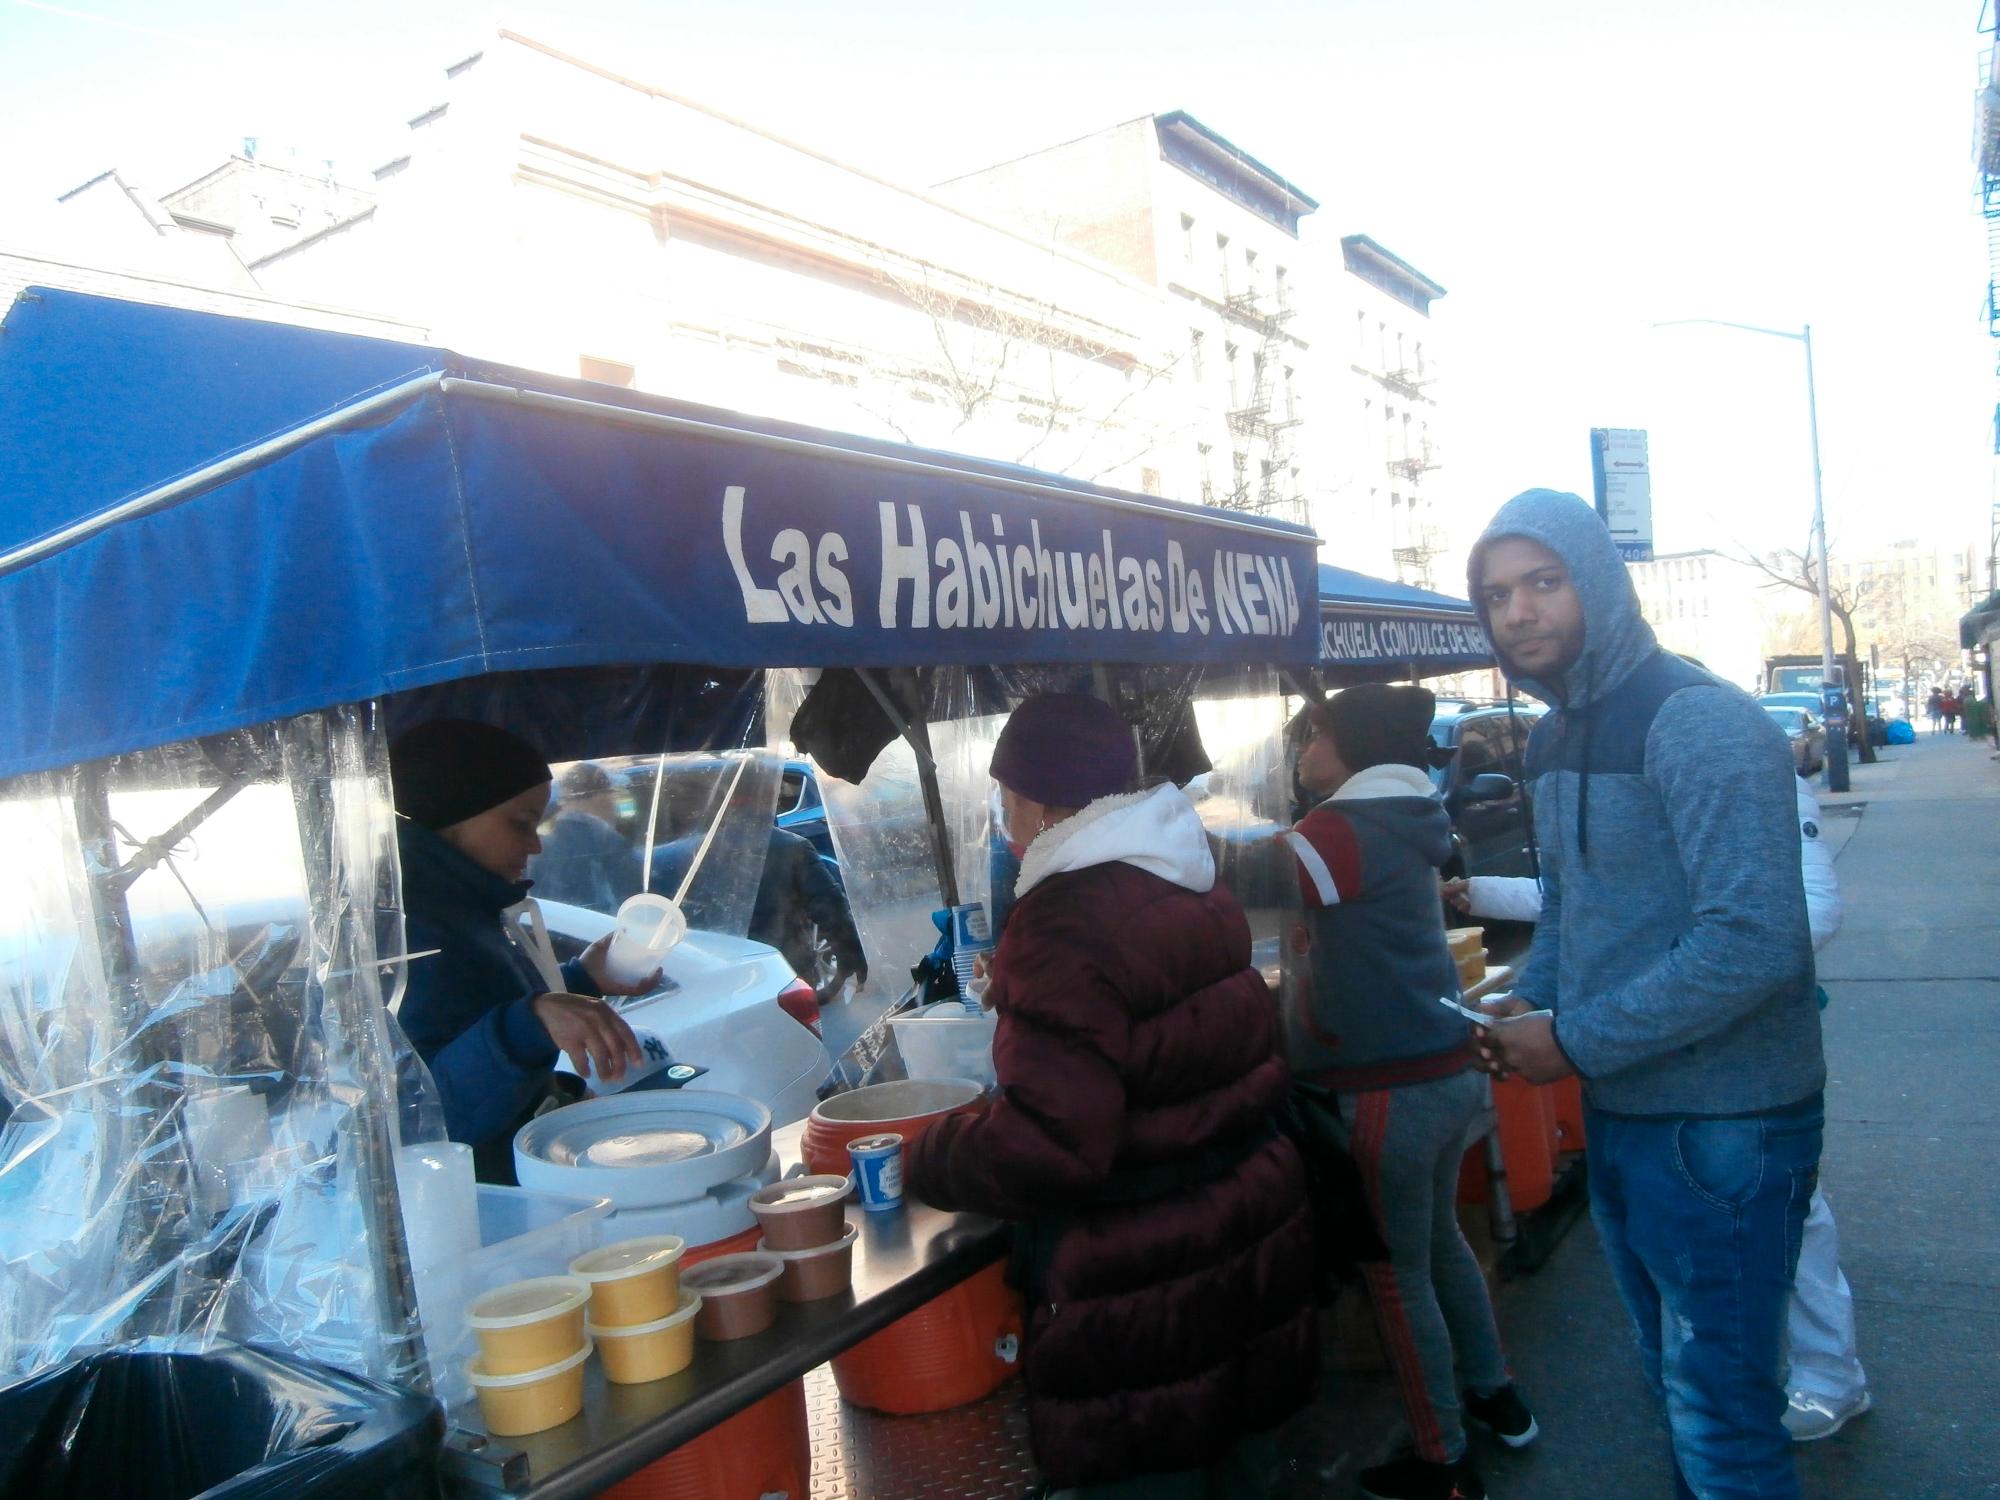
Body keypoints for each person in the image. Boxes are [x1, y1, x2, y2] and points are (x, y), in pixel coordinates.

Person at [1466, 490, 1823, 1500]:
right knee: (1674, 1391)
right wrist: (1524, 1002)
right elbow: (1572, 917)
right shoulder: (1549, 740)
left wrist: (1571, 1039)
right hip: (1624, 1111)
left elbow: (1754, 941)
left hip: (1728, 1124)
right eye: (1497, 594)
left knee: (1720, 1415)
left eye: (1544, 581)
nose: (1519, 612)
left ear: (1600, 581)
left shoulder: (1697, 720)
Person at [905, 694, 1316, 1497]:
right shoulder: (1184, 878)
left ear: (1026, 795)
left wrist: (928, 1155)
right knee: (1239, 1464)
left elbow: (1051, 1148)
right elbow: (1178, 1047)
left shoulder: (1063, 917)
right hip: (1244, 1231)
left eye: (1001, 791)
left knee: (1152, 1472)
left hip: (1146, 1279)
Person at [1445, 771, 1872, 1443]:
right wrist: (1484, 892)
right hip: (1640, 1061)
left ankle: (1828, 1377)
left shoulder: (1735, 765)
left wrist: (1652, 994)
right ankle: (1698, 1380)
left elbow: (1808, 911)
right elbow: (1591, 902)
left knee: (1786, 1217)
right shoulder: (1608, 769)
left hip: (1738, 1058)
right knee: (1673, 1232)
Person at [1280, 684, 1534, 1500]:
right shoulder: (1405, 817)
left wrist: (1146, 824)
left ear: (1344, 742)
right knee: (1438, 1249)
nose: (1301, 754)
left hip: (1383, 1085)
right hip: (1441, 1067)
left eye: (1311, 737)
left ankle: (1444, 1462)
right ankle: (1498, 1397)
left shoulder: (1341, 828)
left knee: (1396, 1275)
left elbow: (1234, 877)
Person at [390, 720, 652, 1182]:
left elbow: (476, 1016)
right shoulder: (405, 930)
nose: (534, 844)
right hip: (470, 1213)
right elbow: (425, 1115)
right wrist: (532, 1020)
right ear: (453, 812)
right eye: (520, 823)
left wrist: (578, 983)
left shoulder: (462, 905)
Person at [528, 761, 644, 911]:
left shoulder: (538, 846)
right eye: (612, 793)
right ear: (599, 796)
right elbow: (634, 906)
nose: (614, 804)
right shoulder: (610, 842)